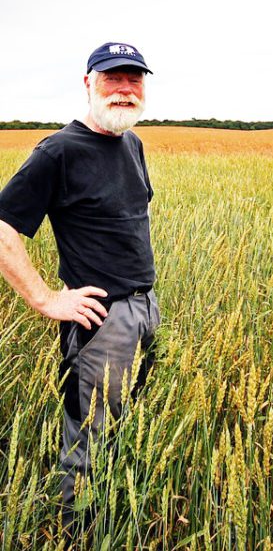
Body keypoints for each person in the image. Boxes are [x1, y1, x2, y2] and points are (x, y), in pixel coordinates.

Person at [0, 42, 160, 537]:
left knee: (124, 429)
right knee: (88, 443)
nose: (125, 89)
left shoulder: (131, 143)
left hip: (143, 310)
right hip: (101, 322)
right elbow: (2, 228)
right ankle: (77, 534)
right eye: (113, 78)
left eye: (134, 79)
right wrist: (47, 299)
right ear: (88, 83)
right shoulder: (58, 151)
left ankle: (116, 517)